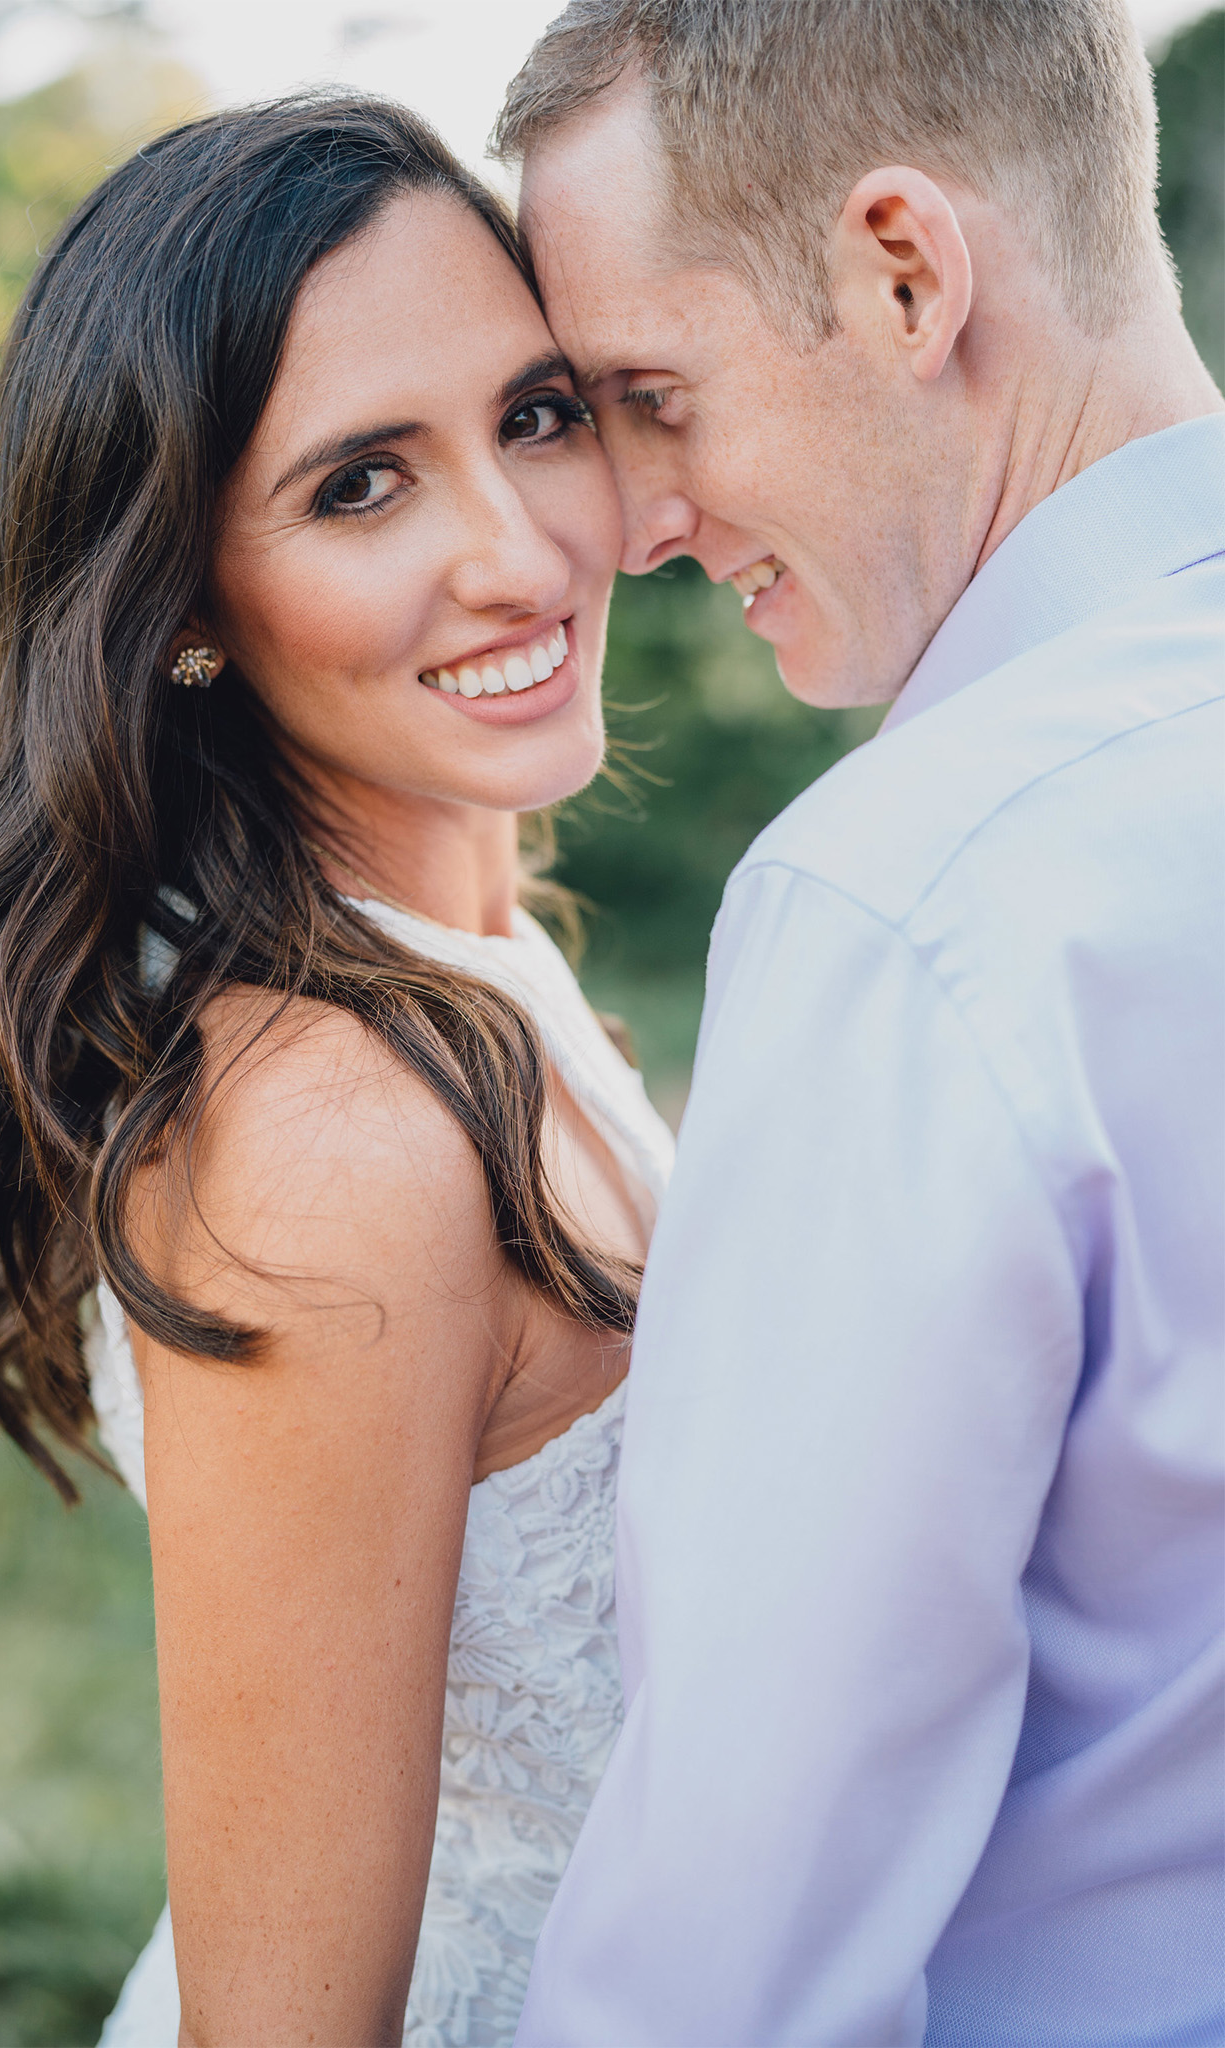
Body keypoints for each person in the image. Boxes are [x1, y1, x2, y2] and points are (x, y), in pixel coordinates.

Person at [0, 95, 671, 2045]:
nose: (517, 550)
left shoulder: (476, 955)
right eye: (359, 486)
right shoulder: (333, 1159)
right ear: (193, 610)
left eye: (537, 413)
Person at [494, 3, 1225, 2040]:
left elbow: (737, 1945)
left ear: (905, 270)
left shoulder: (917, 903)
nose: (630, 522)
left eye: (655, 391)